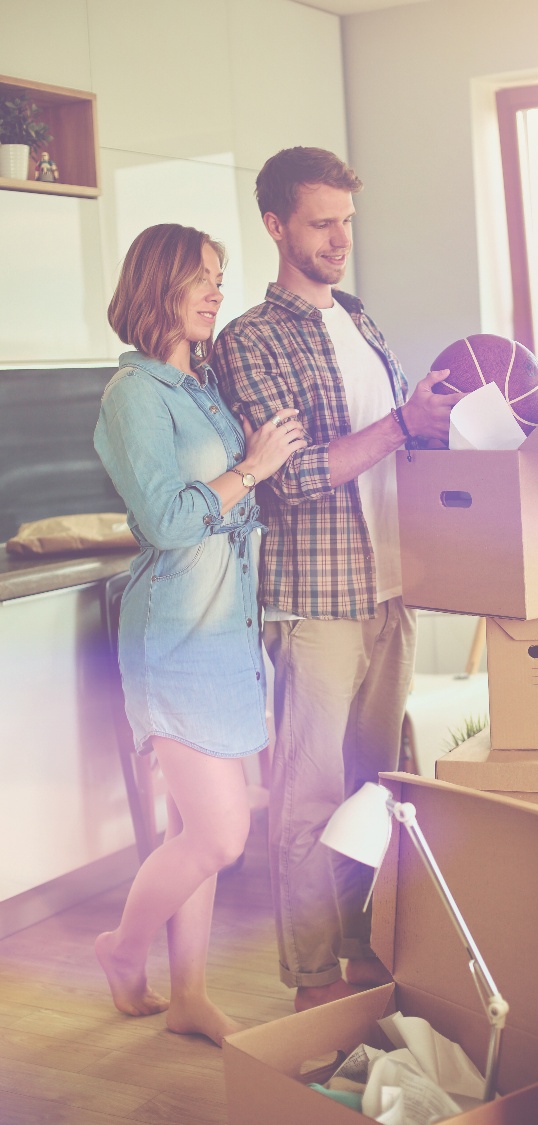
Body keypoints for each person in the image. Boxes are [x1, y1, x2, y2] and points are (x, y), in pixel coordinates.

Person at [213, 147, 461, 1011]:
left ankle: (365, 951)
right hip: (316, 601)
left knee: (377, 790)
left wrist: (434, 422)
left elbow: (392, 447)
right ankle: (314, 980)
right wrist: (401, 422)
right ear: (276, 226)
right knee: (311, 796)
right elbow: (294, 474)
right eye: (322, 222)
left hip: (391, 588)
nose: (339, 238)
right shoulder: (248, 340)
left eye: (347, 221)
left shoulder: (360, 319)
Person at [93, 223, 306, 1045]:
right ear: (159, 287)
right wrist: (250, 467)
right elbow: (169, 520)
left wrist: (259, 469)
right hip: (175, 639)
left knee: (198, 836)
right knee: (222, 833)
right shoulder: (134, 395)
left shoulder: (201, 383)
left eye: (220, 276)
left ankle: (187, 993)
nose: (219, 291)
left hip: (226, 639)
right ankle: (122, 947)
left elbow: (227, 503)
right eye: (202, 280)